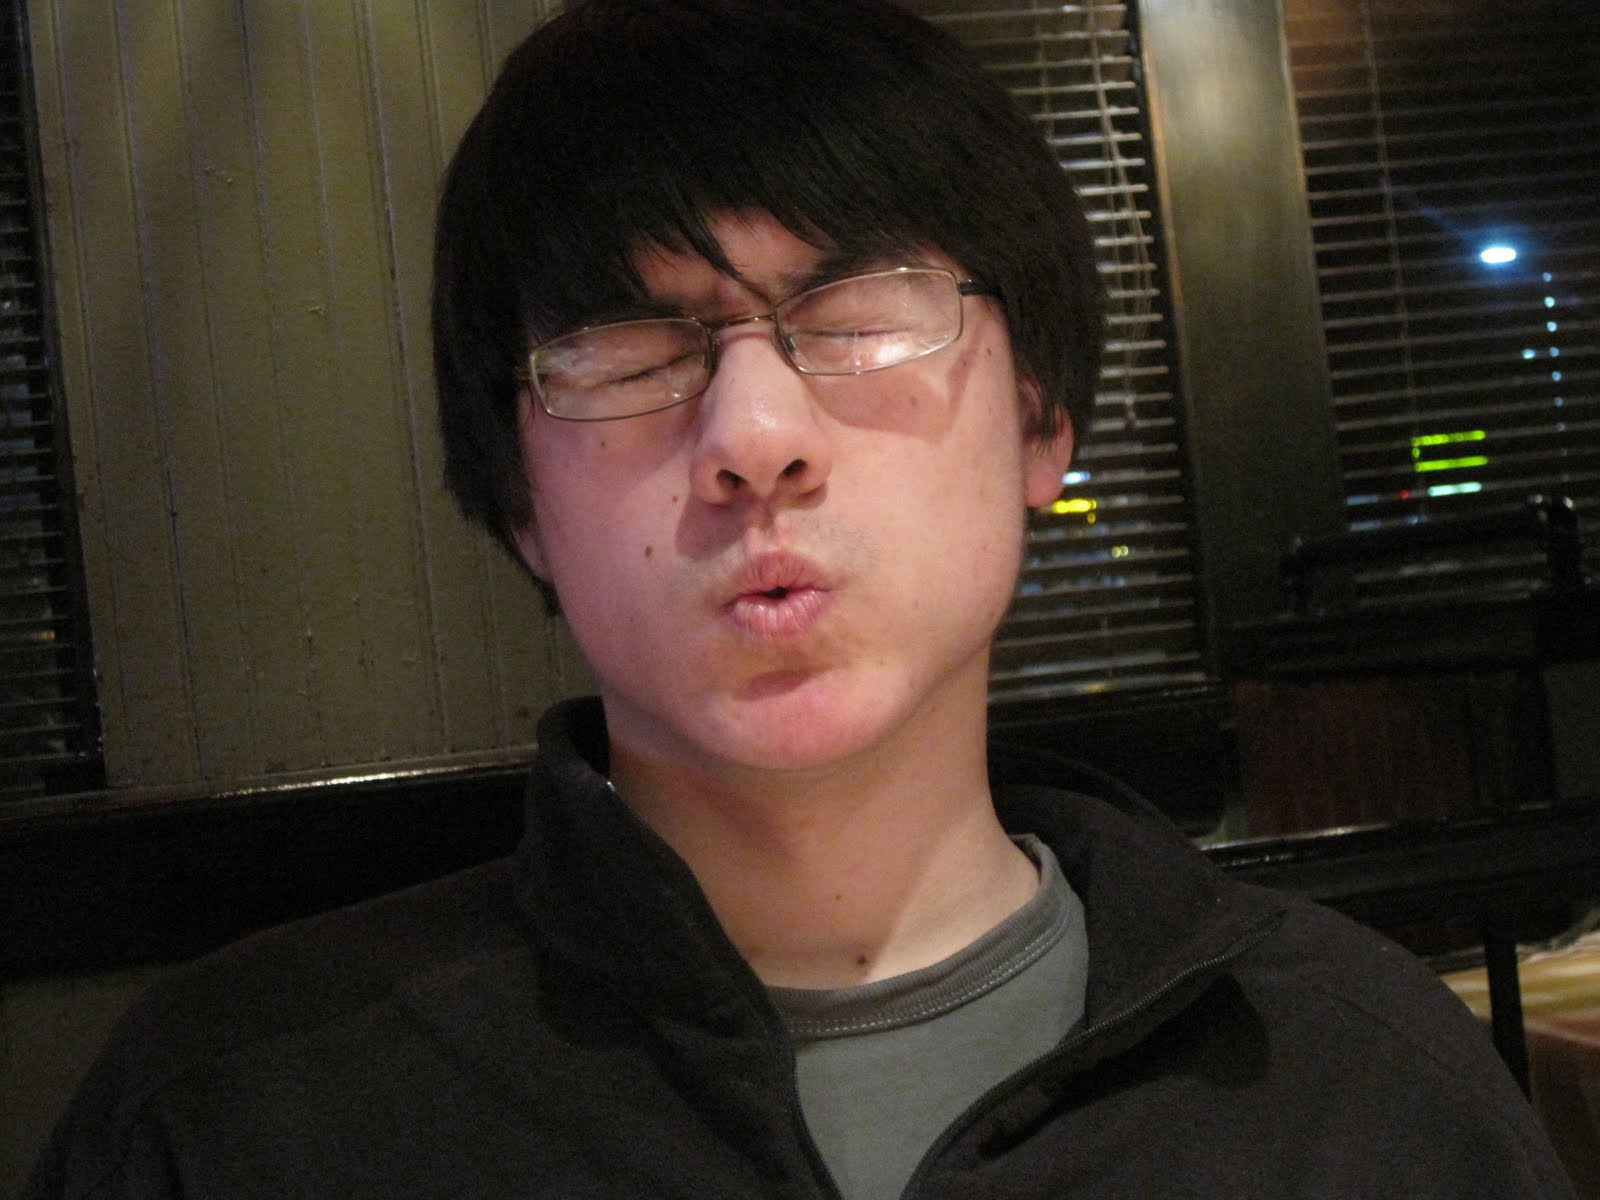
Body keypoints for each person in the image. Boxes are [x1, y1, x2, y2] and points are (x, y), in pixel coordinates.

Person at [27, 1, 1576, 1196]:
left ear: (1042, 419)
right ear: (520, 506)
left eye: (856, 313)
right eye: (630, 353)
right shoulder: (242, 1121)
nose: (754, 436)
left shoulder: (1360, 1090)